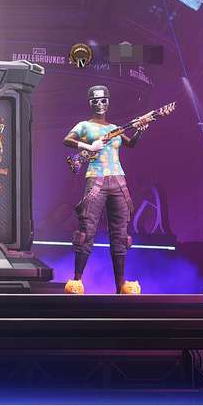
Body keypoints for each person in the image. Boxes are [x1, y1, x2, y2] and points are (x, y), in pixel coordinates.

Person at [62, 85, 147, 294]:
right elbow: (67, 140)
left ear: (108, 102)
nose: (100, 104)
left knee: (120, 235)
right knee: (86, 231)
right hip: (96, 180)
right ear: (89, 102)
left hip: (118, 181)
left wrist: (140, 130)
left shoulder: (116, 128)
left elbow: (131, 144)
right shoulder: (84, 125)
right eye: (95, 100)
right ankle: (77, 280)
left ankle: (121, 285)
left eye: (103, 100)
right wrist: (89, 147)